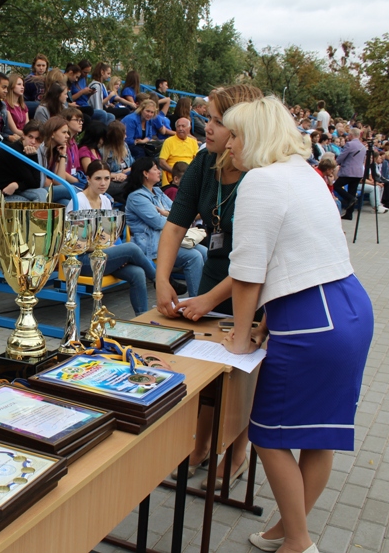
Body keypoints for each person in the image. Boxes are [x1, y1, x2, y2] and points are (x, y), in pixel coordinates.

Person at [221, 95, 373, 553]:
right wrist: (268, 322)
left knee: (268, 434)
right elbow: (300, 254)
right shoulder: (305, 172)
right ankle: (288, 529)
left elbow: (249, 271)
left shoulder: (260, 180)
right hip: (349, 306)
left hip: (312, 320)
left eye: (235, 135)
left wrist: (241, 336)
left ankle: (299, 541)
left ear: (256, 136)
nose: (228, 145)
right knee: (318, 435)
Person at [155, 84, 264, 489]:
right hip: (216, 273)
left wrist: (207, 300)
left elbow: (257, 263)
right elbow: (175, 224)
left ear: (242, 126)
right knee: (207, 366)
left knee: (246, 369)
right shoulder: (204, 161)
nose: (208, 128)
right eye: (209, 118)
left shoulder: (260, 171)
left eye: (218, 120)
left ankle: (236, 453)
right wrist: (162, 279)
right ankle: (200, 445)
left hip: (254, 283)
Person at [66, 160, 158, 315]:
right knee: (131, 248)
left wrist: (116, 254)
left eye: (107, 178)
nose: (103, 183)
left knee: (137, 273)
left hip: (103, 255)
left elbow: (109, 236)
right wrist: (115, 251)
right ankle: (158, 281)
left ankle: (141, 318)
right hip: (81, 261)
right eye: (98, 178)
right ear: (88, 179)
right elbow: (77, 244)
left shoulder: (105, 200)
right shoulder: (77, 201)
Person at [124, 157, 205, 296]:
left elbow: (179, 212)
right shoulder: (136, 197)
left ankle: (206, 297)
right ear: (145, 173)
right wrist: (171, 215)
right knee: (194, 257)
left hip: (168, 239)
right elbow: (158, 222)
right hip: (152, 244)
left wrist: (166, 213)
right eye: (155, 169)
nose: (159, 172)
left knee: (204, 252)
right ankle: (196, 300)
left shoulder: (158, 192)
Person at [0, 121, 47, 204]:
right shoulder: (15, 152)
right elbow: (34, 183)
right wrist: (34, 156)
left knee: (43, 193)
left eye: (38, 139)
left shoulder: (26, 151)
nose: (33, 142)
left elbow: (35, 183)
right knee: (31, 201)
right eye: (30, 137)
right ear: (23, 135)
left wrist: (16, 185)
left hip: (7, 191)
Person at [36, 116, 78, 205]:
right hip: (38, 190)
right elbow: (42, 181)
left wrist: (62, 155)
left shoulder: (57, 151)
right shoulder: (40, 149)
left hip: (51, 189)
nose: (67, 136)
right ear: (52, 134)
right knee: (70, 189)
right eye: (64, 132)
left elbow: (59, 182)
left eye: (67, 133)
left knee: (67, 203)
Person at [334, 128, 366, 220]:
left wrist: (335, 163)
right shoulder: (362, 146)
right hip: (358, 172)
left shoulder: (349, 144)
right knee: (352, 190)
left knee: (337, 185)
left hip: (349, 171)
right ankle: (349, 214)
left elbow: (342, 156)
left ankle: (349, 198)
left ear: (351, 135)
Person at [158, 118, 199, 186]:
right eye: (178, 126)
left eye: (183, 126)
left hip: (190, 174)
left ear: (189, 128)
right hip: (174, 176)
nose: (180, 128)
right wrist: (175, 172)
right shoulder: (169, 141)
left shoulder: (193, 142)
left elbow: (197, 161)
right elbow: (161, 162)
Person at [100, 120, 133, 203]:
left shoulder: (125, 146)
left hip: (127, 177)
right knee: (132, 185)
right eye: (124, 134)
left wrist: (126, 172)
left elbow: (133, 164)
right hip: (111, 181)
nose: (126, 136)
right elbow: (101, 172)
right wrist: (117, 175)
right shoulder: (103, 151)